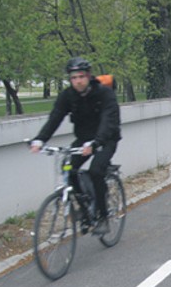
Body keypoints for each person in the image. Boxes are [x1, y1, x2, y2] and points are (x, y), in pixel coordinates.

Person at [30, 57, 121, 234]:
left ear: (88, 76)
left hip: (106, 139)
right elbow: (55, 117)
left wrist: (96, 143)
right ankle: (86, 210)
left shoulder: (104, 93)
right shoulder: (68, 96)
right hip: (82, 140)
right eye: (73, 78)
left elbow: (108, 121)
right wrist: (40, 140)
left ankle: (103, 217)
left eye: (81, 76)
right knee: (68, 169)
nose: (77, 81)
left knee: (96, 171)